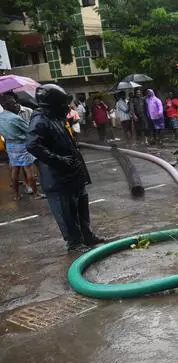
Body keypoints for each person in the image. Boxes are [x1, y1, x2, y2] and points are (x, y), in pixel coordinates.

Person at [27, 84, 105, 253]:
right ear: (52, 104)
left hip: (73, 173)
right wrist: (59, 160)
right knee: (66, 212)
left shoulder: (56, 117)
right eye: (63, 104)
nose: (67, 107)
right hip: (58, 177)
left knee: (81, 206)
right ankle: (74, 243)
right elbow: (33, 145)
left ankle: (87, 235)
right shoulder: (40, 119)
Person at [0, 95, 44, 201]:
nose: (16, 105)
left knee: (15, 169)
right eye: (13, 104)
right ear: (8, 106)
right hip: (21, 144)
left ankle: (16, 195)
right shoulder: (15, 118)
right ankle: (36, 193)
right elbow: (28, 129)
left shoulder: (1, 117)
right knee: (28, 170)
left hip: (10, 145)